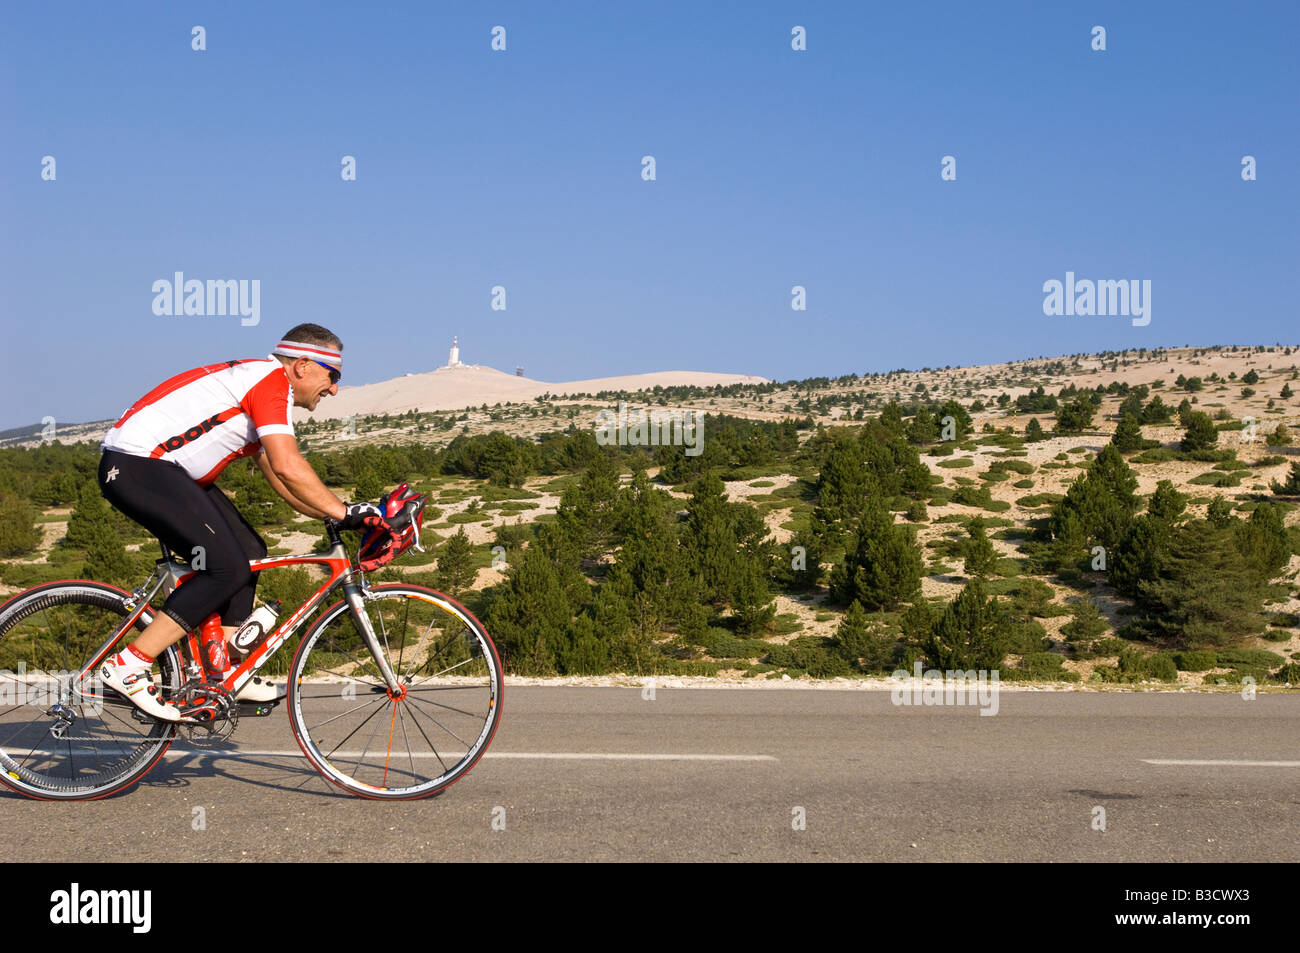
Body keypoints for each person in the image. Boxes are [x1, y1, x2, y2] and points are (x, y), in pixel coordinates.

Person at [96, 323, 392, 722]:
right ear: (303, 365)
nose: (334, 389)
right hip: (138, 465)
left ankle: (225, 672)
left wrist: (332, 513)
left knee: (250, 553)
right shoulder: (270, 382)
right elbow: (289, 466)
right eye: (333, 376)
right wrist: (345, 511)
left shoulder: (265, 387)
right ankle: (129, 665)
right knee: (225, 567)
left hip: (165, 470)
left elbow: (276, 474)